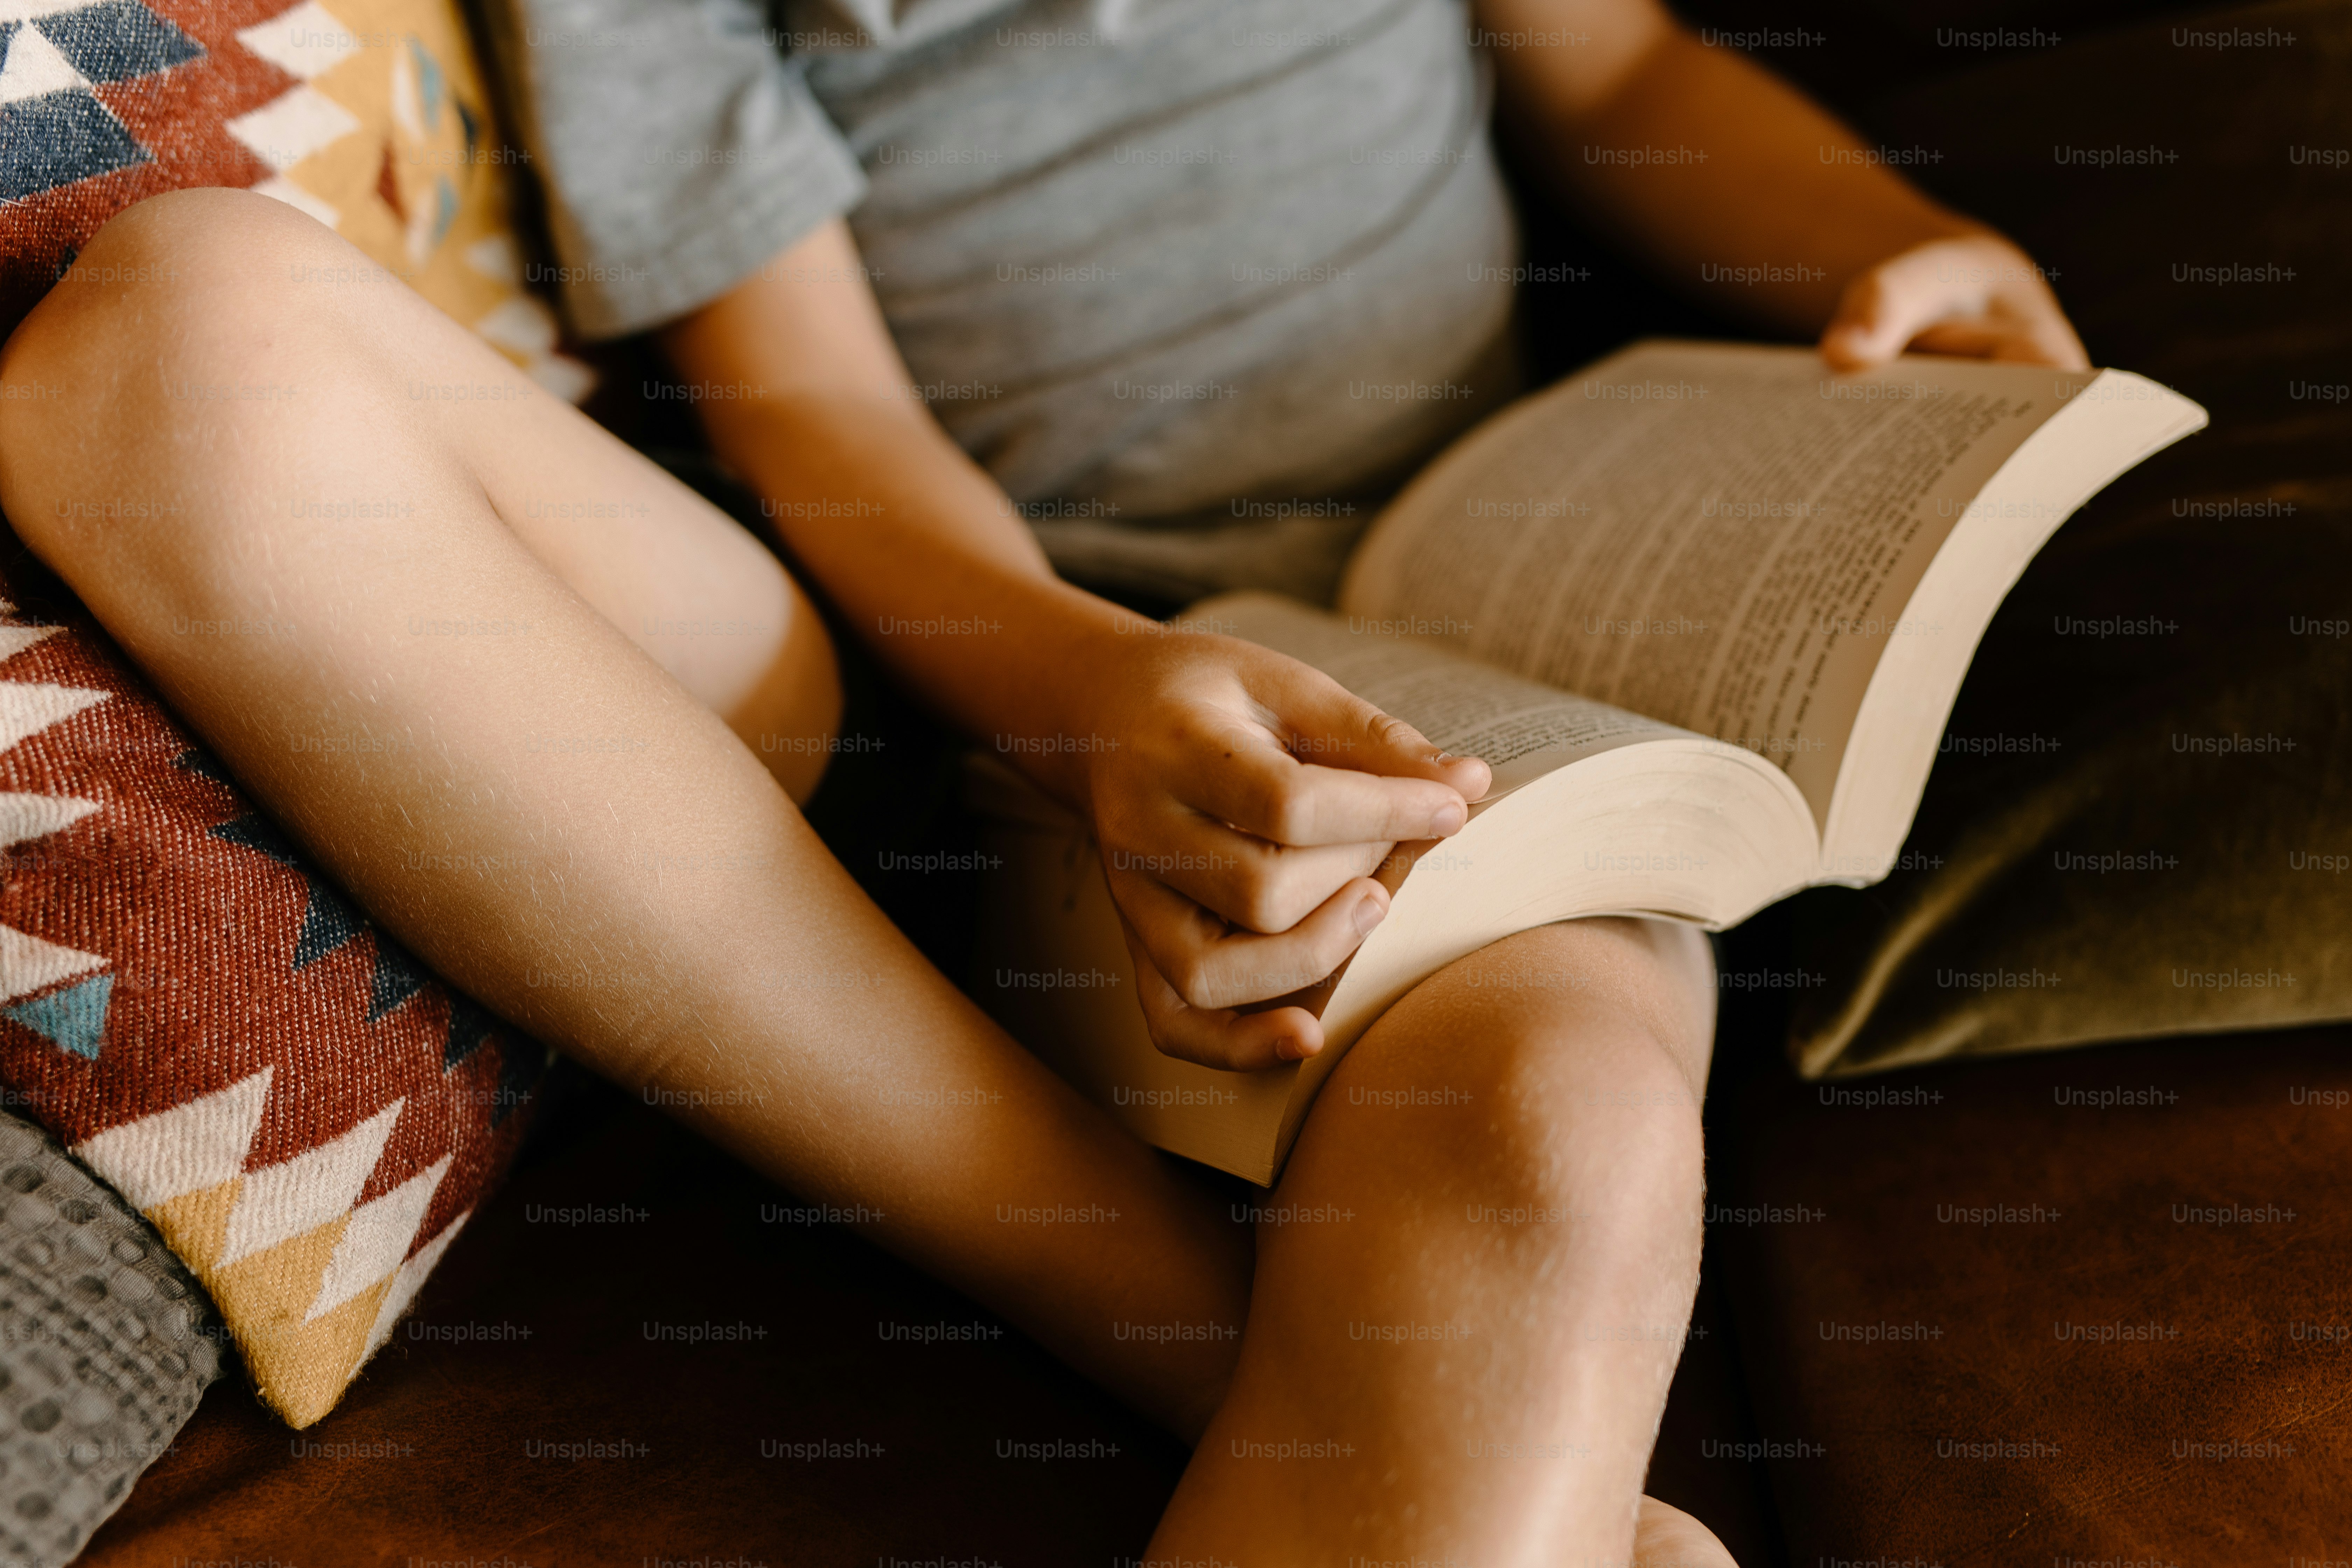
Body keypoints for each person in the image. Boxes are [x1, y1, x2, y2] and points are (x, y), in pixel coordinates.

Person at [0, 3, 2084, 1563]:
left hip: (1466, 649)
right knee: (188, 332)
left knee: (1560, 1127)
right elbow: (833, 428)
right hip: (955, 656)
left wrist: (1898, 246)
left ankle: (1335, 1397)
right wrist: (1087, 696)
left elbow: (1616, 65)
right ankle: (1190, 1319)